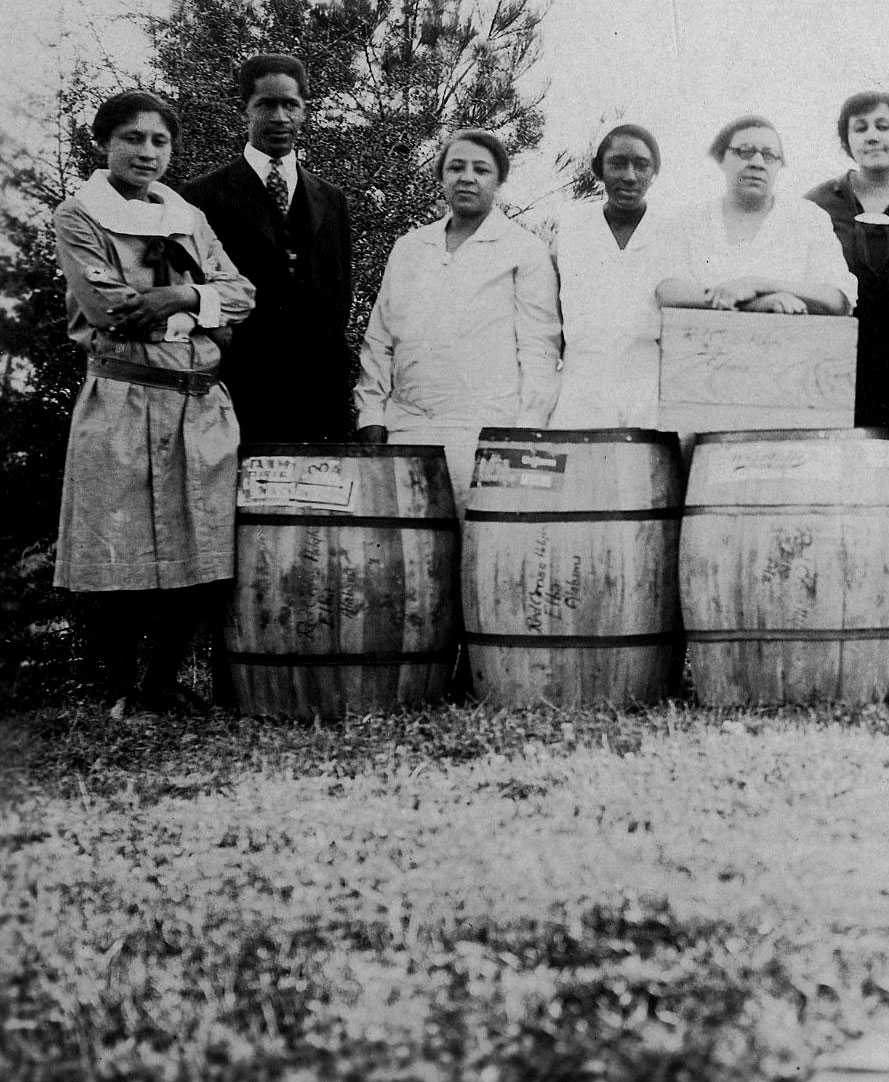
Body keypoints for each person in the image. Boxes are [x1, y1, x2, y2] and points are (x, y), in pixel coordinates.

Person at [54, 89, 255, 714]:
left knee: (206, 543)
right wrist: (203, 310)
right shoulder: (79, 217)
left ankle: (164, 682)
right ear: (104, 144)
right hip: (124, 398)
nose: (147, 153)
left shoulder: (186, 216)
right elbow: (109, 307)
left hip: (200, 404)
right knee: (120, 546)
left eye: (159, 141)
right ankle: (120, 687)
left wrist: (178, 300)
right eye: (133, 139)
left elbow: (242, 292)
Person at [354, 129, 560, 501]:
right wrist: (372, 416)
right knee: (407, 553)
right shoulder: (410, 248)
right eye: (456, 168)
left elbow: (539, 348)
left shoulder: (524, 250)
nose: (467, 177)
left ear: (499, 180)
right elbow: (379, 341)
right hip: (407, 431)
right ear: (442, 177)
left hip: (485, 436)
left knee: (481, 553)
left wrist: (527, 431)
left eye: (481, 169)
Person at [180, 52, 355, 452]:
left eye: (290, 104)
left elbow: (339, 297)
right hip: (236, 387)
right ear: (244, 110)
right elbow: (197, 293)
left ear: (305, 110)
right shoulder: (200, 196)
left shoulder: (331, 199)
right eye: (266, 105)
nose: (279, 117)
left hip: (316, 395)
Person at [805, 90, 889, 432]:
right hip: (837, 359)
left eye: (883, 126)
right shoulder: (819, 203)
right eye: (860, 128)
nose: (871, 136)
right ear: (848, 141)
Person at [654, 115, 855, 316]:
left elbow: (836, 299)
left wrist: (758, 285)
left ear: (779, 165)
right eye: (745, 152)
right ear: (721, 159)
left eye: (769, 155)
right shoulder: (691, 220)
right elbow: (667, 290)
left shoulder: (808, 219)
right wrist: (753, 305)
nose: (757, 163)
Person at [548, 123, 674, 425]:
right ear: (599, 170)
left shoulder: (673, 231)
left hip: (649, 387)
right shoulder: (571, 230)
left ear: (654, 173)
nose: (630, 176)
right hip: (580, 386)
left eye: (641, 165)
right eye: (617, 164)